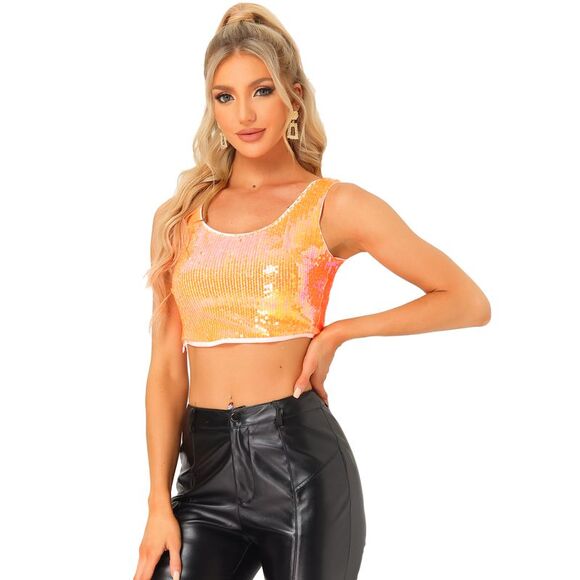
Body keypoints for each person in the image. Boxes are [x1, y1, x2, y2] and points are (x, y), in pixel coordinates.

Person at [133, 4, 491, 580]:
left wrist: (339, 333)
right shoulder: (178, 218)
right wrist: (157, 501)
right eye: (225, 96)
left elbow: (467, 301)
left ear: (293, 97)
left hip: (299, 469)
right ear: (211, 106)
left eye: (262, 91)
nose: (244, 114)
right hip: (204, 471)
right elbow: (166, 370)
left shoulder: (332, 205)